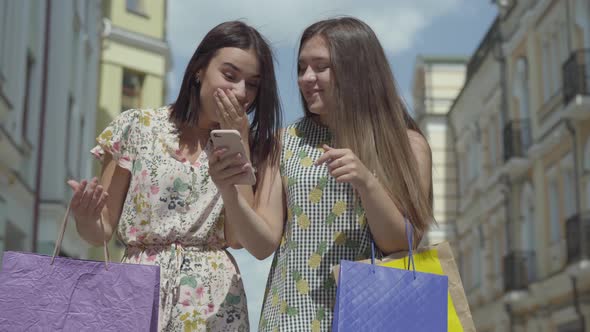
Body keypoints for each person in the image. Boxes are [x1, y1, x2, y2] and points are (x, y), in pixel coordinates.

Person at [212, 17, 434, 331]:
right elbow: (261, 245)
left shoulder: (407, 145)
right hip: (289, 319)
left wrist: (366, 183)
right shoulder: (283, 142)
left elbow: (402, 243)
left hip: (372, 319)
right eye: (302, 67)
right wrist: (228, 190)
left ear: (357, 69)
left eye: (320, 66)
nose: (306, 78)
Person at [67, 21, 281, 331]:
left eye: (252, 84)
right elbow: (101, 230)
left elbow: (237, 239)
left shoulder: (252, 146)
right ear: (198, 69)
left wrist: (240, 145)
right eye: (230, 76)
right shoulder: (136, 126)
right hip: (137, 291)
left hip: (213, 304)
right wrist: (85, 217)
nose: (240, 92)